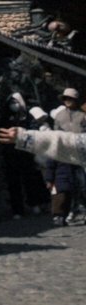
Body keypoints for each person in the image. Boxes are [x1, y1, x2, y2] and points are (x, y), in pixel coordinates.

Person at [51, 88, 86, 222]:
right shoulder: (59, 116)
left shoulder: (83, 116)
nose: (68, 101)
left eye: (70, 98)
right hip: (66, 154)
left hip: (81, 153)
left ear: (75, 100)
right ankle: (70, 210)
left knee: (83, 183)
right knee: (67, 184)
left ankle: (82, 208)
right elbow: (55, 134)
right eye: (66, 98)